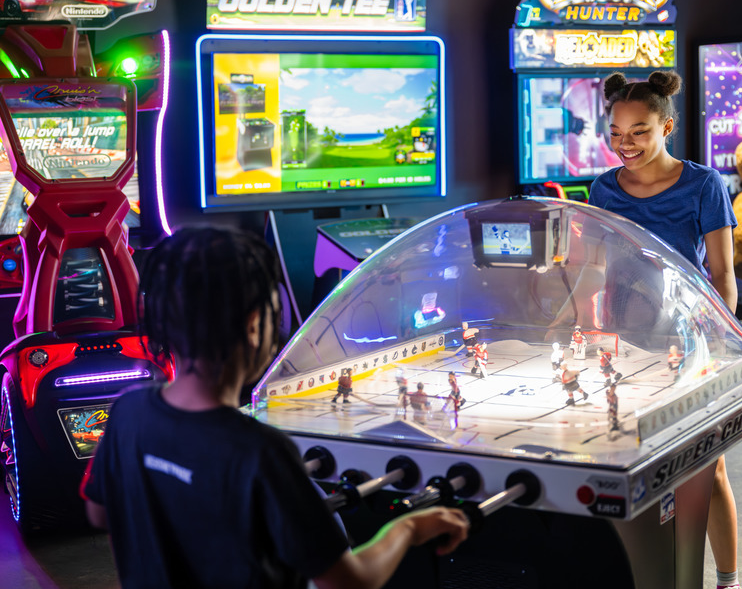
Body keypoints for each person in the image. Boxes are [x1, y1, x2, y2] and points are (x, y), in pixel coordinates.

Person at [80, 227, 468, 589]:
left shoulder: (127, 413)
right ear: (254, 325)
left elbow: (99, 514)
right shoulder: (260, 450)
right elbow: (349, 581)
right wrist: (408, 529)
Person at [588, 70, 740, 589]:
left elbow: (722, 274)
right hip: (625, 343)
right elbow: (599, 267)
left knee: (708, 469)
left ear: (667, 125)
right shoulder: (602, 188)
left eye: (639, 131)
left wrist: (724, 337)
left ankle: (727, 580)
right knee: (629, 464)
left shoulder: (704, 184)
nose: (624, 143)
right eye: (615, 132)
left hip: (688, 338)